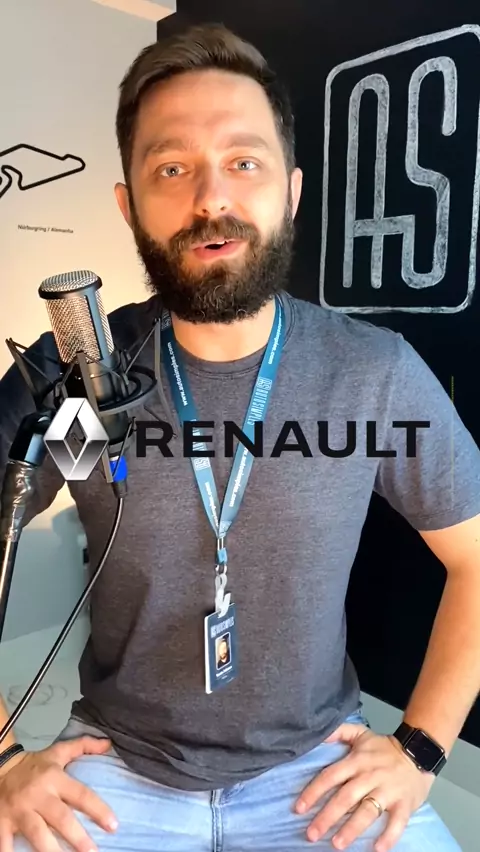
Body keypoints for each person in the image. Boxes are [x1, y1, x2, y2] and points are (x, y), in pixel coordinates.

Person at [0, 20, 480, 852]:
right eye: (172, 168)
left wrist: (420, 748)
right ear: (129, 205)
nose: (210, 199)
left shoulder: (372, 374)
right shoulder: (77, 376)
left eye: (243, 162)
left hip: (317, 768)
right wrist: (4, 757)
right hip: (114, 764)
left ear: (290, 191)